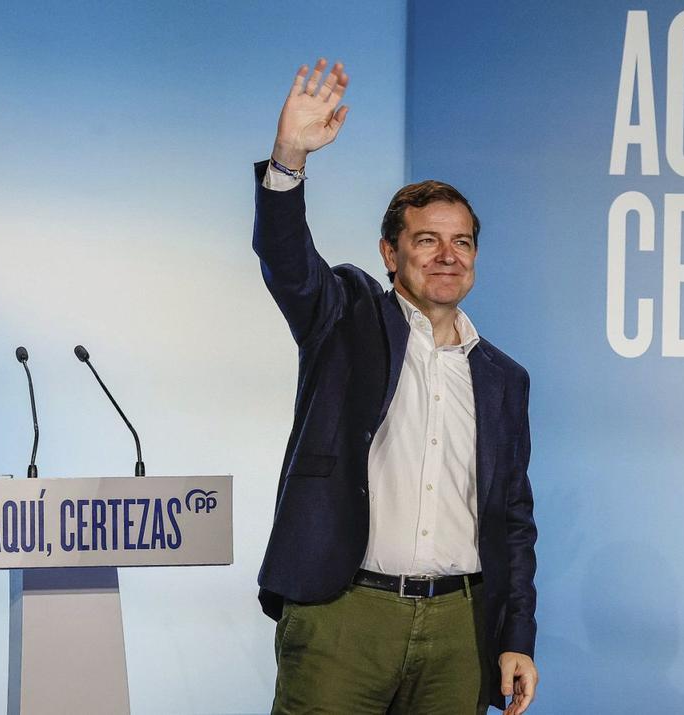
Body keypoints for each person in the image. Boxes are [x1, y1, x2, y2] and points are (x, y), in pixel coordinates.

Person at [252, 58, 540, 715]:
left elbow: (513, 518)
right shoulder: (346, 315)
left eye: (462, 241)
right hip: (344, 615)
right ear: (390, 253)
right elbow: (288, 262)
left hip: (458, 631)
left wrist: (516, 634)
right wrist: (289, 155)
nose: (448, 254)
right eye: (428, 239)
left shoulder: (503, 378)